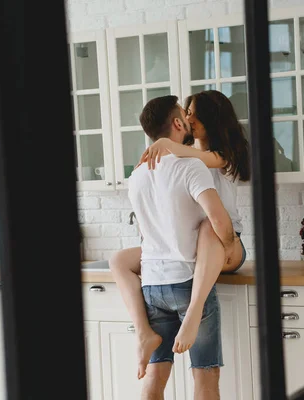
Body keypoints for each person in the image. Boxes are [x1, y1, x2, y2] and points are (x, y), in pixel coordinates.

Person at [109, 90, 250, 384]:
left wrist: (163, 144)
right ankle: (142, 331)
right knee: (120, 260)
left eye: (194, 112)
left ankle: (193, 312)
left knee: (209, 228)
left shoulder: (221, 155)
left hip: (226, 243)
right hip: (191, 250)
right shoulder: (182, 157)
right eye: (185, 112)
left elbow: (201, 160)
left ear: (211, 117)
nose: (188, 117)